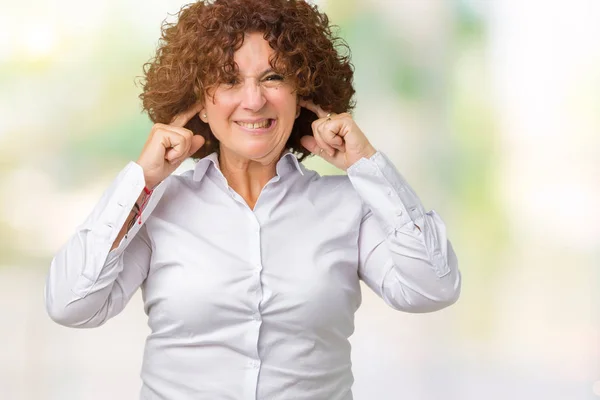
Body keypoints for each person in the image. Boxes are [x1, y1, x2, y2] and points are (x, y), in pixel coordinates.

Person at [45, 0, 461, 398]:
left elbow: (433, 288)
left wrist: (369, 165)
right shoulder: (157, 208)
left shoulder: (349, 206)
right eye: (229, 80)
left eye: (273, 77)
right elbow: (71, 305)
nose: (253, 100)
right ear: (199, 106)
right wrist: (141, 181)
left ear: (303, 93)